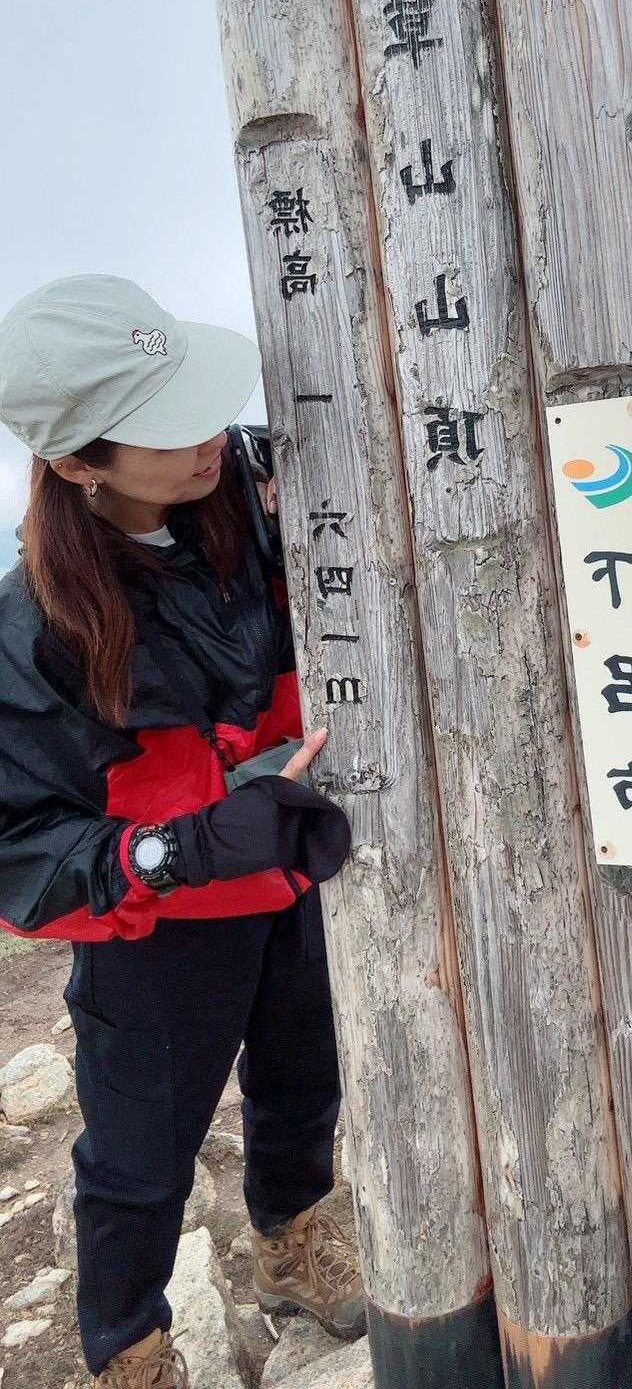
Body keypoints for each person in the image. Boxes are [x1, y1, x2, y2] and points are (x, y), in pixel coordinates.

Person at [0, 276, 364, 1388]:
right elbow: (25, 853)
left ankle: (290, 1242)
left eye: (203, 401)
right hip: (158, 935)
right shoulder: (34, 630)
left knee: (304, 1079)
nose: (207, 435)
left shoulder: (258, 494)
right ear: (80, 463)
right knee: (138, 1153)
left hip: (294, 879)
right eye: (167, 427)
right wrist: (182, 848)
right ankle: (129, 1348)